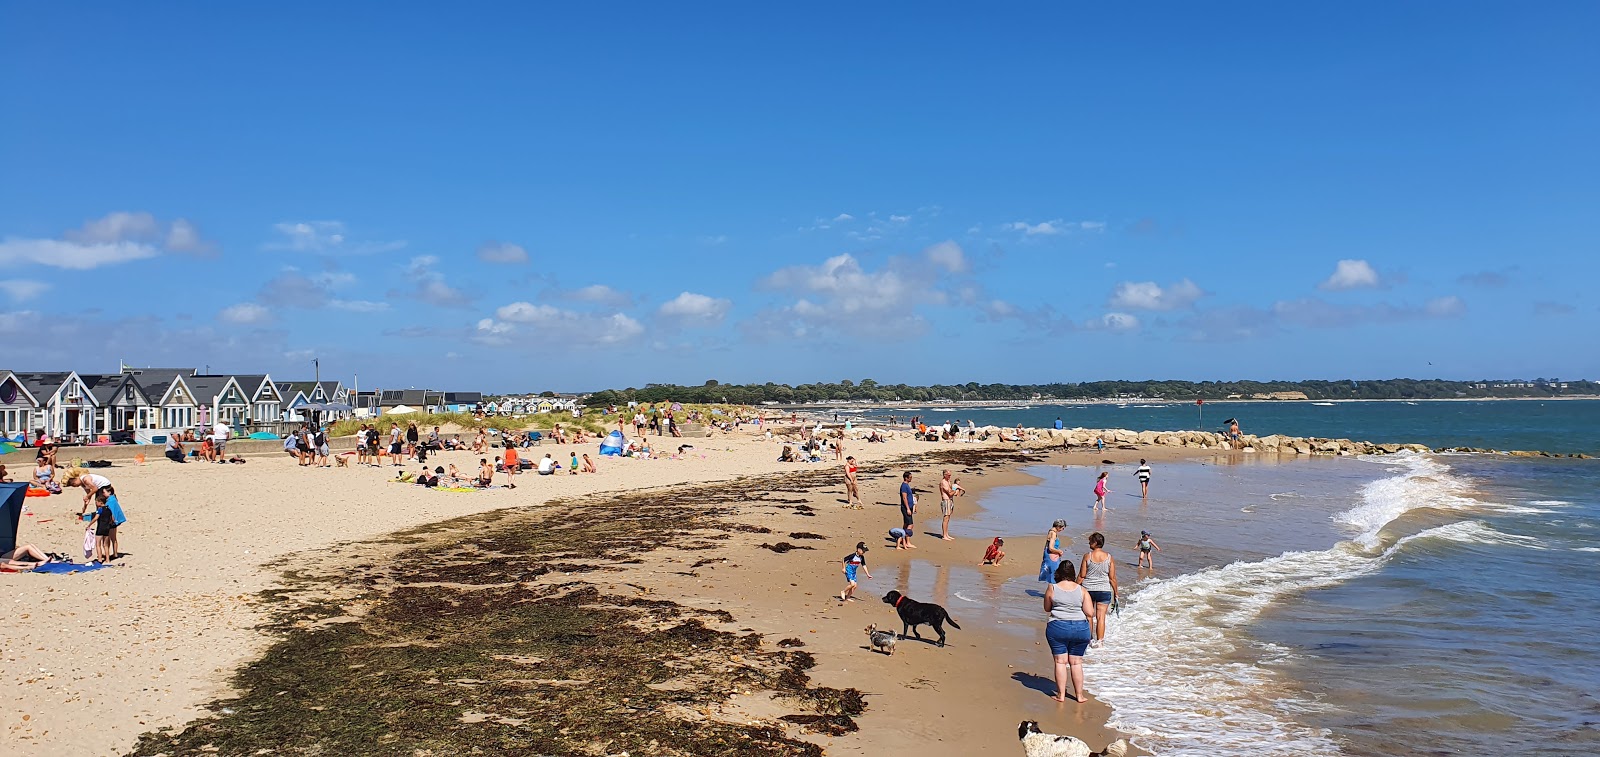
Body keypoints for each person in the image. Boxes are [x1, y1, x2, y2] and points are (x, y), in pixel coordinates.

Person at [1043, 560, 1095, 703]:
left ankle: (1061, 695)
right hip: (1080, 628)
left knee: (1060, 662)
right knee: (1076, 662)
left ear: (1059, 572)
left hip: (1058, 627)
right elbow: (1090, 612)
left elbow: (1047, 608)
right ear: (1073, 573)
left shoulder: (1052, 588)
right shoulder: (1082, 590)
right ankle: (1079, 695)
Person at [1077, 532, 1119, 648]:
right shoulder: (1109, 557)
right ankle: (1100, 642)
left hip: (1088, 590)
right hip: (1104, 590)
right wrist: (1116, 593)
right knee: (1101, 617)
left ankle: (1089, 640)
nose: (1089, 543)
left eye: (1090, 541)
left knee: (1089, 616)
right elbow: (1112, 578)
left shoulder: (1087, 556)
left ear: (1095, 543)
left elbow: (1081, 576)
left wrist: (1074, 588)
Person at [896, 471, 916, 550]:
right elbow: (904, 498)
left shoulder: (907, 485)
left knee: (906, 524)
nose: (911, 479)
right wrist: (908, 508)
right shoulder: (904, 486)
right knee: (910, 525)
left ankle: (902, 539)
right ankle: (907, 542)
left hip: (908, 507)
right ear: (906, 478)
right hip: (905, 507)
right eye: (910, 477)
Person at [938, 470, 958, 541]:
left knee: (948, 517)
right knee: (946, 518)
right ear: (944, 475)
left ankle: (946, 534)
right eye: (948, 475)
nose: (950, 476)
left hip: (950, 500)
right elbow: (949, 493)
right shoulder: (943, 482)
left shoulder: (948, 482)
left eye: (950, 475)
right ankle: (944, 535)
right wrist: (955, 490)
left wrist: (955, 491)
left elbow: (951, 491)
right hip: (946, 500)